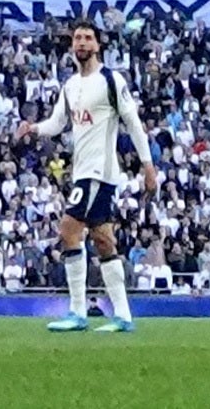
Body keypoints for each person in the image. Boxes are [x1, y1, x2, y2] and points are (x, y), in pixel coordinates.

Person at [15, 18, 158, 332]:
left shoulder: (110, 80)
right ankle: (123, 316)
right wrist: (33, 128)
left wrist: (148, 165)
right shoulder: (71, 85)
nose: (81, 43)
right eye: (77, 38)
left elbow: (133, 123)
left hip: (98, 172)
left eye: (87, 38)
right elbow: (57, 123)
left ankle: (77, 311)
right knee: (103, 241)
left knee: (68, 229)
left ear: (98, 44)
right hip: (83, 170)